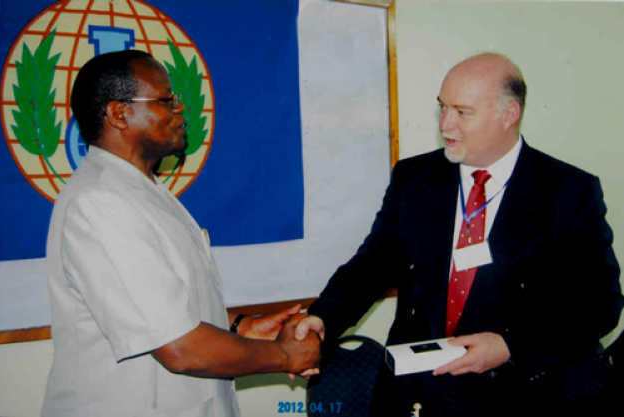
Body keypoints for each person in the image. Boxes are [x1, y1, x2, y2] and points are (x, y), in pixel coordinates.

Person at [294, 53, 624, 416]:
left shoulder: (568, 192)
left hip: (507, 396)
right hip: (411, 393)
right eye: (442, 107)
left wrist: (510, 346)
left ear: (508, 114)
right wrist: (323, 316)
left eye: (462, 112)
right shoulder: (415, 178)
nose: (445, 124)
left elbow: (600, 305)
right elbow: (372, 264)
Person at [41, 50, 321, 417]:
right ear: (118, 114)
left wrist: (240, 326)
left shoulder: (143, 190)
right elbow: (180, 347)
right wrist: (285, 354)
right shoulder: (100, 202)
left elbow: (164, 303)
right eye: (166, 99)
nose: (180, 109)